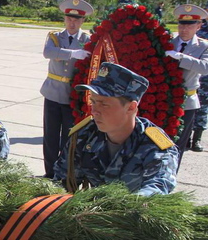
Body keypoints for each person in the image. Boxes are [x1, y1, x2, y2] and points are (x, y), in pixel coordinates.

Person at [53, 62, 178, 196]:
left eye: (104, 104)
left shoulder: (155, 145)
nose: (94, 111)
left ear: (130, 107)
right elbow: (61, 182)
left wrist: (127, 206)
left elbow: (159, 186)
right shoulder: (85, 134)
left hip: (134, 213)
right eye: (93, 102)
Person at [40, 0, 93, 178]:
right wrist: (72, 53)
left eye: (77, 20)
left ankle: (63, 173)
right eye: (69, 19)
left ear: (82, 21)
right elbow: (48, 52)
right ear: (64, 19)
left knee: (68, 138)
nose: (72, 22)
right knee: (50, 136)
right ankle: (49, 173)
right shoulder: (55, 37)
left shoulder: (87, 39)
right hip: (53, 92)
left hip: (72, 97)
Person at [166, 4, 208, 167]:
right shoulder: (168, 42)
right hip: (164, 100)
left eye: (190, 25)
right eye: (182, 24)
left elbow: (205, 68)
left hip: (187, 102)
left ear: (199, 26)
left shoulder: (203, 46)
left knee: (179, 144)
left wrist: (181, 58)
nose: (185, 29)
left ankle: (171, 178)